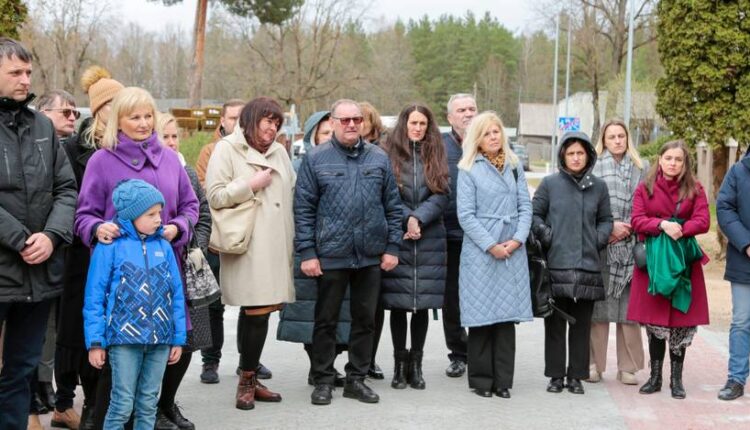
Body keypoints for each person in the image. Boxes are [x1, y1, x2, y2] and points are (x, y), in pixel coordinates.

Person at [74, 86, 199, 429]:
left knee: (165, 359)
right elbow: (83, 215)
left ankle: (159, 413)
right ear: (118, 120)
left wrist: (178, 227)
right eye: (134, 117)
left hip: (163, 270)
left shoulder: (171, 159)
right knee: (116, 379)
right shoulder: (102, 160)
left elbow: (191, 206)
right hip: (122, 282)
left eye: (148, 116)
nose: (143, 123)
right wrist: (97, 228)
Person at [295, 99, 402, 406]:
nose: (352, 124)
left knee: (365, 320)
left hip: (370, 254)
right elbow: (303, 209)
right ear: (333, 122)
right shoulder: (316, 159)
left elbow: (393, 206)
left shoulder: (378, 158)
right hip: (331, 253)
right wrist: (308, 252)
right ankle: (323, 379)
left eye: (357, 119)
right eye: (345, 120)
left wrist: (392, 247)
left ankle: (357, 378)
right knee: (325, 320)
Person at [0, 38, 78, 430]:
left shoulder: (42, 126)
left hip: (39, 273)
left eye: (28, 72)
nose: (25, 79)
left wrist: (51, 236)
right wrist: (20, 239)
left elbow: (66, 189)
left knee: (20, 371)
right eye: (15, 72)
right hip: (5, 265)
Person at [205, 97, 294, 411]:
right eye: (267, 121)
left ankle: (251, 376)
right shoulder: (227, 149)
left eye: (277, 123)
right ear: (251, 119)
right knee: (257, 310)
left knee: (260, 311)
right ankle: (246, 381)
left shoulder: (280, 152)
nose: (272, 128)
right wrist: (250, 184)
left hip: (277, 244)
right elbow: (214, 196)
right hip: (248, 244)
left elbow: (291, 193)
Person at [83, 179, 186, 430]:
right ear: (131, 216)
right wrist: (95, 342)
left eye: (159, 212)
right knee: (121, 404)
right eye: (151, 214)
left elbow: (176, 294)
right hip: (124, 341)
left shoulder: (164, 246)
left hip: (160, 340)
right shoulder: (110, 247)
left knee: (148, 403)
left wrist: (178, 338)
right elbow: (94, 298)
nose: (159, 219)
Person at [54, 65, 124, 430]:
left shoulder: (131, 147)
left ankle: (106, 408)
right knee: (85, 335)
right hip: (83, 255)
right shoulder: (71, 149)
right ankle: (88, 409)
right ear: (99, 110)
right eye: (114, 103)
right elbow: (65, 199)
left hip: (125, 256)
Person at [195, 99, 273, 384]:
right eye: (232, 117)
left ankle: (247, 361)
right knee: (214, 303)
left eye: (242, 117)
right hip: (220, 238)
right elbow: (206, 191)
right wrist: (246, 187)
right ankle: (210, 361)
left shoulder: (261, 150)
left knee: (250, 302)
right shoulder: (212, 150)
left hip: (252, 237)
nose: (237, 122)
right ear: (222, 121)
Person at [456, 111, 533, 398]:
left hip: (512, 249)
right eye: (487, 133)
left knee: (505, 318)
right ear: (477, 137)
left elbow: (525, 206)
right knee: (481, 316)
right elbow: (465, 215)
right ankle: (481, 381)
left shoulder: (514, 165)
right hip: (481, 252)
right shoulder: (467, 168)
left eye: (496, 131)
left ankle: (503, 381)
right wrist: (491, 245)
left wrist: (517, 239)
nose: (493, 137)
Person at [627, 140, 710, 399]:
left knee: (679, 322)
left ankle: (676, 380)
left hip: (683, 261)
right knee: (654, 322)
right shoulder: (645, 187)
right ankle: (655, 378)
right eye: (668, 158)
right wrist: (662, 224)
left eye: (678, 159)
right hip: (654, 262)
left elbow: (704, 220)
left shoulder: (695, 188)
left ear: (685, 163)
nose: (673, 163)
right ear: (660, 160)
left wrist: (681, 229)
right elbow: (637, 220)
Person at [532, 131, 612, 395]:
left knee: (581, 325)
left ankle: (576, 376)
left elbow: (606, 220)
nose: (576, 158)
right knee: (555, 324)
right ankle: (556, 375)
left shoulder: (599, 187)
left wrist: (597, 240)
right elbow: (534, 215)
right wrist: (547, 236)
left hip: (588, 265)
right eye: (571, 153)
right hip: (556, 264)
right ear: (562, 156)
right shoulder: (549, 184)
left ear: (588, 155)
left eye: (580, 153)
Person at [277, 111, 348, 387]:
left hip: (340, 249)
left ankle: (329, 364)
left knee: (339, 312)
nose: (330, 138)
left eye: (333, 132)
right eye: (324, 133)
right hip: (307, 246)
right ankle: (318, 366)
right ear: (313, 137)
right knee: (310, 312)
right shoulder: (298, 166)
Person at [380, 104, 449, 390]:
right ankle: (399, 364)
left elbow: (442, 193)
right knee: (398, 304)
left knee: (422, 306)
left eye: (423, 124)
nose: (418, 128)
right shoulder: (387, 153)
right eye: (413, 123)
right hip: (399, 236)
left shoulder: (437, 152)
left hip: (430, 237)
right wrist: (407, 218)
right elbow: (386, 194)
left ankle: (416, 365)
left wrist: (419, 218)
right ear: (404, 124)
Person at [154, 113, 213, 429]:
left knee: (188, 340)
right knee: (158, 343)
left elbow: (203, 215)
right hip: (153, 268)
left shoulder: (186, 171)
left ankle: (168, 402)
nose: (171, 142)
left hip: (187, 266)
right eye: (164, 136)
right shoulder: (147, 172)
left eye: (175, 136)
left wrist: (194, 244)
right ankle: (151, 408)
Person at [36, 89, 83, 428]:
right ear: (42, 112)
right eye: (64, 112)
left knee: (56, 325)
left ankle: (49, 389)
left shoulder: (73, 148)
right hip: (31, 247)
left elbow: (70, 196)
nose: (72, 118)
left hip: (64, 248)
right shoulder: (33, 145)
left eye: (75, 113)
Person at [588, 119, 648, 385]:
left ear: (627, 138)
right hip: (602, 244)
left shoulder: (641, 167)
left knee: (629, 311)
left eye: (621, 136)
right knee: (598, 310)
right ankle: (593, 364)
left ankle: (629, 367)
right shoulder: (593, 167)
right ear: (603, 140)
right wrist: (609, 227)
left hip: (631, 246)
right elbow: (587, 205)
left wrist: (628, 227)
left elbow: (648, 203)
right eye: (611, 136)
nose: (617, 141)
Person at [442, 93, 478, 378]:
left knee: (478, 295)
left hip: (481, 237)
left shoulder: (487, 142)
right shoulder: (440, 147)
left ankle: (480, 351)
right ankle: (458, 353)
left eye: (471, 109)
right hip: (449, 235)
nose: (467, 114)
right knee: (452, 299)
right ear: (449, 117)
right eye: (461, 110)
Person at [717, 146, 750, 401]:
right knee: (742, 321)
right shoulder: (739, 171)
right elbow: (725, 209)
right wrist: (747, 244)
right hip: (744, 261)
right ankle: (736, 379)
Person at [358, 101, 388, 380]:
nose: (356, 124)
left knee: (374, 307)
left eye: (362, 119)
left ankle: (369, 358)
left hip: (376, 238)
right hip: (348, 242)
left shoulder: (383, 153)